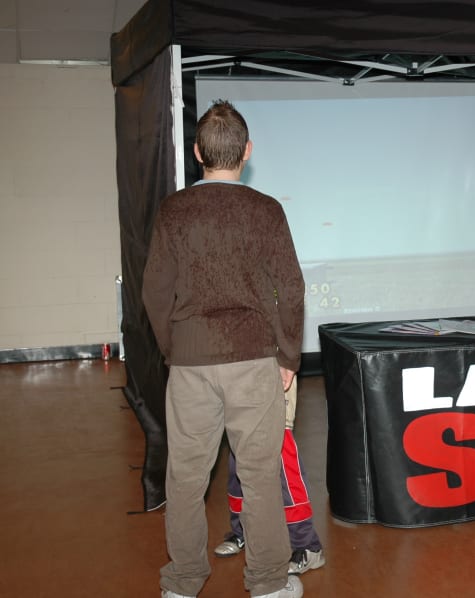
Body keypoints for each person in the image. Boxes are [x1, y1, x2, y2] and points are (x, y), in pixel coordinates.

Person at [143, 100, 305, 598]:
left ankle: (182, 583)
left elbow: (155, 292)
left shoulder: (173, 211)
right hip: (254, 360)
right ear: (247, 151)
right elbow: (291, 289)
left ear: (197, 152)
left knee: (186, 479)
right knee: (259, 477)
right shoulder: (266, 210)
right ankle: (269, 584)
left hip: (191, 362)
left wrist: (175, 350)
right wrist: (289, 356)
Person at [214, 377, 325, 576]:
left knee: (284, 461)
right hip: (236, 372)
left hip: (272, 371)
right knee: (237, 459)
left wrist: (286, 363)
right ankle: (242, 531)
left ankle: (307, 545)